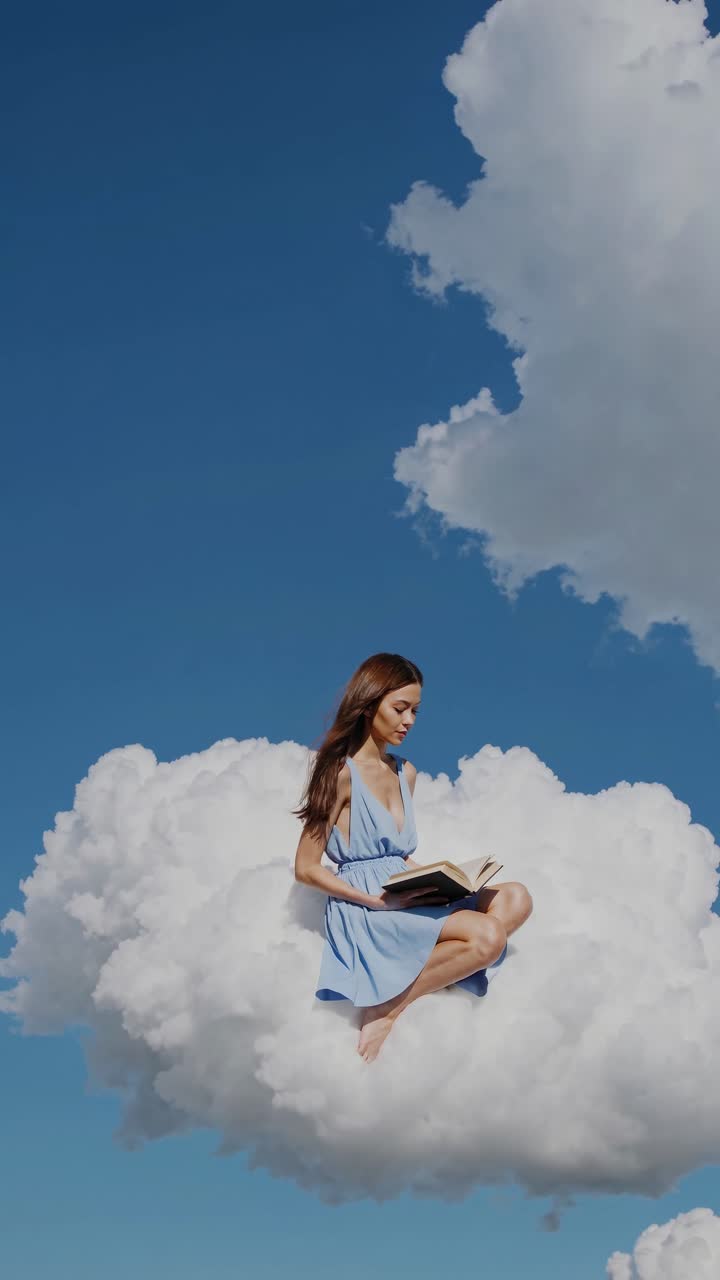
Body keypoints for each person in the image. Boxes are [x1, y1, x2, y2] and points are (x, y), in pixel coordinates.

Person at [293, 652, 533, 1062]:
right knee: (489, 937)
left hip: (405, 889)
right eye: (399, 708)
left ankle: (440, 971)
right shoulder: (339, 773)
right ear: (369, 705)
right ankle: (390, 1006)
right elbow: (306, 867)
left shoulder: (407, 773)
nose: (409, 721)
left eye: (415, 711)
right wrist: (377, 900)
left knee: (516, 897)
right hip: (368, 904)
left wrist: (445, 878)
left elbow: (396, 854)